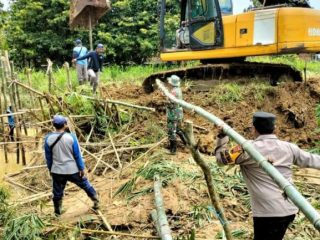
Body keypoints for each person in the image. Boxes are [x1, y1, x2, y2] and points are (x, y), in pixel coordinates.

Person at [214, 112, 320, 240]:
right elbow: (314, 160)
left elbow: (221, 160)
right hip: (290, 208)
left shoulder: (247, 149)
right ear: (275, 128)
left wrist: (222, 136)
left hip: (268, 213)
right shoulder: (289, 148)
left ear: (254, 128)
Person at [44, 115, 99, 216]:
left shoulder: (48, 139)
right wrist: (81, 168)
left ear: (54, 125)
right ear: (65, 125)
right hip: (73, 169)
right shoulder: (71, 137)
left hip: (57, 171)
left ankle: (57, 212)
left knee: (57, 191)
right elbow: (77, 155)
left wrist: (50, 169)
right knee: (85, 184)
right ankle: (96, 201)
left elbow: (48, 158)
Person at [166, 75, 187, 154]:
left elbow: (171, 104)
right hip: (179, 112)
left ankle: (173, 150)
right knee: (178, 129)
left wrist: (166, 101)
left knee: (171, 131)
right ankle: (187, 144)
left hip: (173, 113)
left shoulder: (173, 92)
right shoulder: (179, 90)